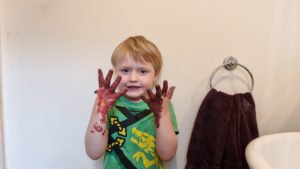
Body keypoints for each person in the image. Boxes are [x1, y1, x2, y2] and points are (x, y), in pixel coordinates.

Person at [85, 35, 179, 169]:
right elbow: (93, 153)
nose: (133, 78)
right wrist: (100, 111)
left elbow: (167, 155)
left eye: (142, 71)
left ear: (156, 75)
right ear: (115, 71)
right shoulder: (106, 104)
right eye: (125, 70)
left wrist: (163, 115)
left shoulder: (162, 105)